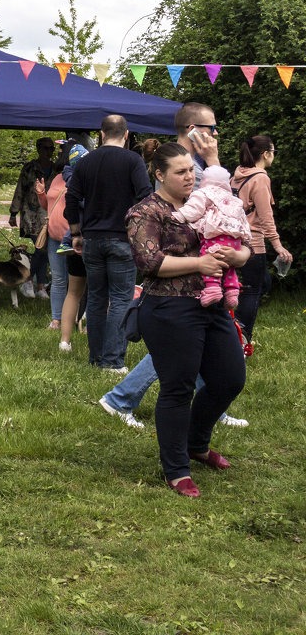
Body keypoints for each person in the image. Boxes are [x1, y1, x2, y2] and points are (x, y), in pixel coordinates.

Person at [98, 103, 251, 429]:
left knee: (193, 349)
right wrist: (213, 162)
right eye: (211, 128)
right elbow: (224, 208)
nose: (216, 134)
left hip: (199, 276)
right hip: (182, 283)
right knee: (177, 348)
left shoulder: (185, 163)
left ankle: (212, 406)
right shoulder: (189, 168)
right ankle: (121, 397)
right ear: (194, 129)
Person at [126, 142, 248, 498]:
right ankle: (177, 469)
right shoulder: (146, 211)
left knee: (229, 379)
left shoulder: (209, 199)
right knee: (178, 389)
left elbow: (241, 239)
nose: (189, 178)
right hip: (169, 309)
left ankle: (196, 444)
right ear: (159, 174)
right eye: (180, 172)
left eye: (191, 171)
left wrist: (236, 257)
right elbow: (150, 263)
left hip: (213, 305)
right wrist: (200, 264)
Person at [65, 115, 152, 373]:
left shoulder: (86, 161)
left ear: (101, 134)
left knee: (96, 298)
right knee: (121, 300)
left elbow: (72, 199)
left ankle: (96, 358)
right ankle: (112, 362)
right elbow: (146, 197)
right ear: (126, 135)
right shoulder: (133, 160)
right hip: (122, 239)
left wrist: (76, 233)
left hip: (91, 239)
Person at [231, 134, 293, 342]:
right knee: (252, 290)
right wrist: (278, 245)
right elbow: (266, 216)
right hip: (253, 241)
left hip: (235, 238)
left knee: (261, 282)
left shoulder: (238, 175)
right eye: (273, 152)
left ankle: (233, 326)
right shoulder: (260, 178)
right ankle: (241, 338)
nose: (273, 156)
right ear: (266, 154)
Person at [171, 165, 251, 308]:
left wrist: (179, 216)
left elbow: (194, 209)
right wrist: (245, 239)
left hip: (215, 236)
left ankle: (213, 289)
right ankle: (232, 292)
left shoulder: (204, 193)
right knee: (229, 266)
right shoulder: (234, 199)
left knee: (210, 259)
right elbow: (244, 221)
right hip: (235, 240)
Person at [37, 143, 89, 349]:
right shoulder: (58, 178)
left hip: (74, 237)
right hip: (54, 236)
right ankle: (56, 319)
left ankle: (81, 322)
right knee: (58, 279)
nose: (57, 155)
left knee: (79, 283)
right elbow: (49, 205)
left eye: (60, 152)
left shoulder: (84, 179)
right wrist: (42, 194)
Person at [9, 136, 56, 297]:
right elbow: (19, 190)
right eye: (46, 148)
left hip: (51, 215)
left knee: (43, 250)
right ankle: (28, 281)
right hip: (32, 215)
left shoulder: (57, 169)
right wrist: (13, 212)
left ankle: (41, 287)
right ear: (38, 149)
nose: (49, 152)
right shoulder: (29, 168)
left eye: (52, 148)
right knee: (40, 248)